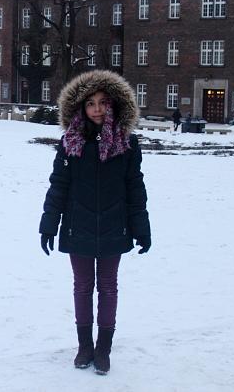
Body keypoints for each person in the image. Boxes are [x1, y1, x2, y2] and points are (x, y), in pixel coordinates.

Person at [39, 70, 151, 375]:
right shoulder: (70, 143)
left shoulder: (127, 144)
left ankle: (104, 348)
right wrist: (49, 223)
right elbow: (59, 185)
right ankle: (85, 346)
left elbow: (135, 187)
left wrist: (141, 227)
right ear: (81, 108)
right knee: (82, 287)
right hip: (79, 227)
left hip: (115, 227)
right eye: (91, 103)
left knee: (108, 287)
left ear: (113, 105)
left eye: (103, 102)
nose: (97, 109)